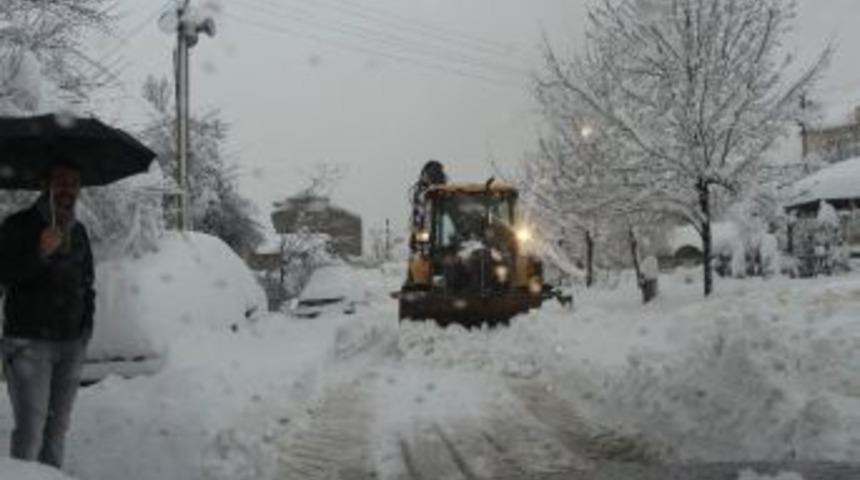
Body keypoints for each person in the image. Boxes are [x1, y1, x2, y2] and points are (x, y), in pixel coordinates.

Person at [0, 163, 95, 469]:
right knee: (31, 432)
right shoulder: (18, 225)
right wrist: (39, 252)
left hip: (71, 345)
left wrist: (85, 329)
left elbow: (87, 283)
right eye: (60, 181)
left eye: (73, 182)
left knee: (56, 431)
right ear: (46, 184)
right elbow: (4, 275)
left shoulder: (78, 232)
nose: (67, 189)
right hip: (29, 344)